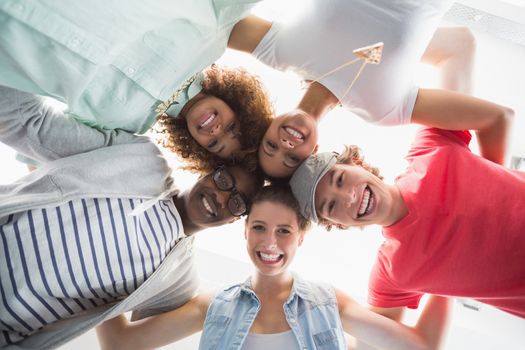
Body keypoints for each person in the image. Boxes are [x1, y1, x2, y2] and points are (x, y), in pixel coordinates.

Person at [0, 85, 263, 349]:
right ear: (207, 170)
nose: (221, 197)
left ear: (234, 220)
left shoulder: (179, 280)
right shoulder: (140, 157)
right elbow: (36, 127)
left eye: (236, 203)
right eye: (223, 179)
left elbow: (121, 345)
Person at [96, 185, 451, 350]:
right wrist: (102, 265)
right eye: (260, 228)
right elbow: (123, 344)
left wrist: (451, 263)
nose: (269, 243)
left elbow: (420, 346)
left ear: (300, 238)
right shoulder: (215, 306)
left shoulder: (328, 303)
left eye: (284, 231)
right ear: (245, 231)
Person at [288, 103, 525, 321]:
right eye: (331, 206)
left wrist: (494, 178)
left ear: (357, 163)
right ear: (339, 224)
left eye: (340, 179)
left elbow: (499, 117)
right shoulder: (391, 275)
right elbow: (373, 343)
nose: (349, 198)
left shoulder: (430, 146)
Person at [227, 0, 511, 177]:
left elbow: (209, 23)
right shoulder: (381, 108)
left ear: (267, 123)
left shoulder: (282, 52)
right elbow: (498, 117)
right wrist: (495, 187)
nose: (285, 146)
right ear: (314, 153)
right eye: (291, 158)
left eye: (271, 146)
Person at [0, 1, 273, 172]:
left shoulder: (126, 128)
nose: (216, 131)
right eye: (233, 128)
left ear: (197, 148)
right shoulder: (215, 32)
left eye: (214, 144)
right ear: (239, 106)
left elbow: (33, 133)